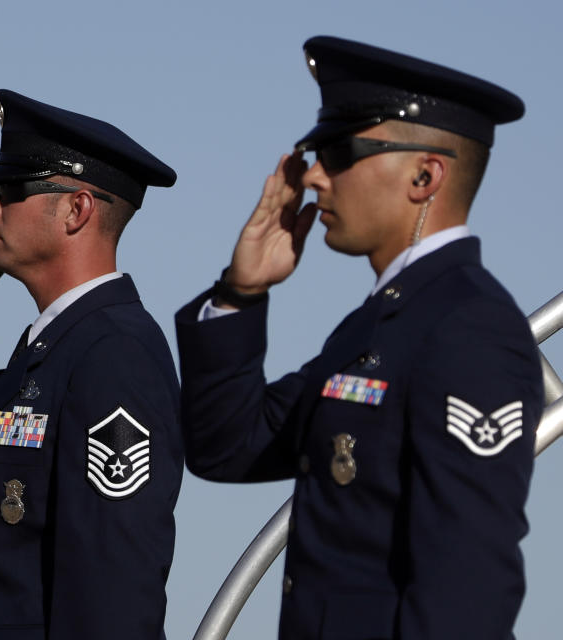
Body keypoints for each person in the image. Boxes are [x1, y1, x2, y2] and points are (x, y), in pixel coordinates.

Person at [176, 36, 543, 639]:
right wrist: (240, 295)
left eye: (339, 151)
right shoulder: (381, 324)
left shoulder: (468, 329)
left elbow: (466, 591)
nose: (315, 174)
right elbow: (227, 445)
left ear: (425, 175)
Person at [0, 89, 183, 639]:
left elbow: (113, 593)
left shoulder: (113, 353)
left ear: (77, 209)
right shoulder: (53, 348)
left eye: (10, 189)